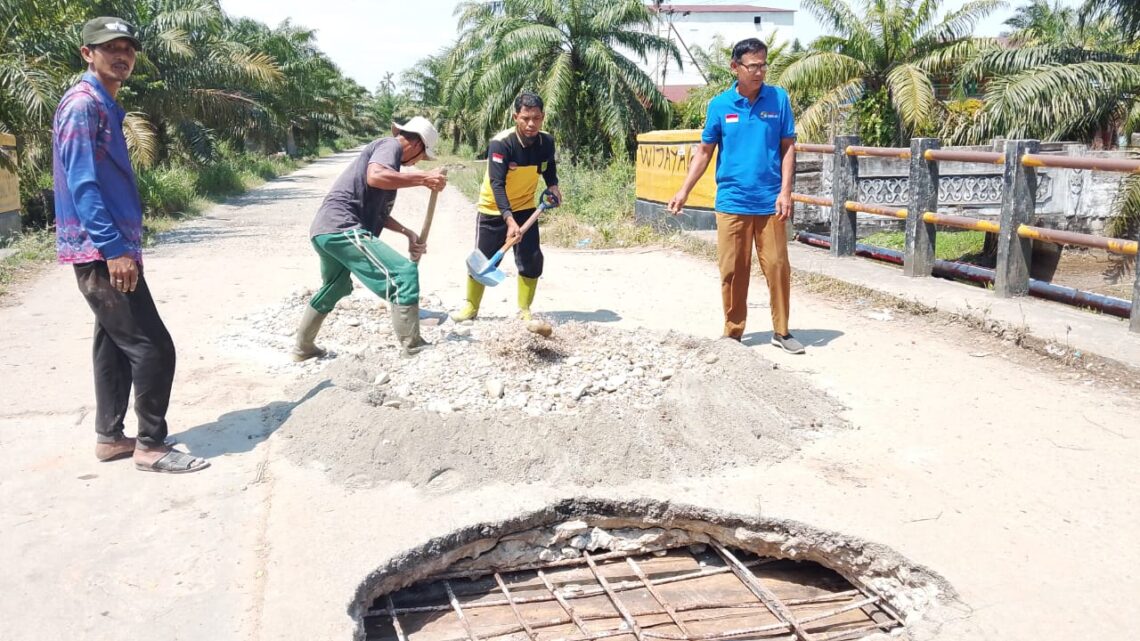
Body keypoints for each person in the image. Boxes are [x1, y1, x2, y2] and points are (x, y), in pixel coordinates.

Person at [54, 17, 208, 473]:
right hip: (102, 250)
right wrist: (114, 250)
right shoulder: (83, 105)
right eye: (110, 47)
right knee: (153, 347)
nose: (121, 55)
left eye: (128, 48)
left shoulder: (103, 104)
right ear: (87, 53)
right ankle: (151, 447)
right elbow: (83, 185)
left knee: (114, 345)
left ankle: (110, 438)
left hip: (110, 247)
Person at [667, 38, 805, 354]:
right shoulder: (719, 105)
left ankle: (782, 331)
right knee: (732, 270)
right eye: (753, 66)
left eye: (763, 65)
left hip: (770, 202)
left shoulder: (779, 99)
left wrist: (786, 192)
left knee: (777, 267)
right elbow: (705, 151)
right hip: (732, 201)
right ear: (735, 67)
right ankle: (733, 333)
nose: (759, 72)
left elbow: (788, 147)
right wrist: (684, 190)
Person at [293, 117, 448, 359]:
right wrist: (423, 178)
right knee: (404, 274)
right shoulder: (390, 146)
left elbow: (380, 214)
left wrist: (407, 233)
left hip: (325, 230)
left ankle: (303, 348)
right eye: (422, 157)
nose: (417, 163)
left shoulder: (391, 165)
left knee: (337, 286)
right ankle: (414, 347)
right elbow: (375, 176)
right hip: (342, 227)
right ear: (417, 144)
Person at [451, 92, 562, 322]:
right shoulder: (501, 143)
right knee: (483, 259)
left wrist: (553, 185)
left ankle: (524, 309)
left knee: (532, 258)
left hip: (526, 208)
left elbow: (548, 166)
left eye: (536, 118)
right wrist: (509, 220)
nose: (531, 124)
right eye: (525, 118)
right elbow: (497, 184)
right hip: (493, 208)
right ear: (515, 117)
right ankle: (471, 307)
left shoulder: (546, 142)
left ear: (542, 117)